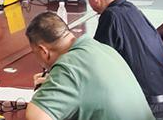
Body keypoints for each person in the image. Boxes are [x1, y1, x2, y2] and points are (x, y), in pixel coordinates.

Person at [25, 12, 154, 120]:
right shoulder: (101, 48)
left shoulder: (68, 66)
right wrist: (56, 83)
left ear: (43, 51)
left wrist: (42, 90)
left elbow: (35, 116)